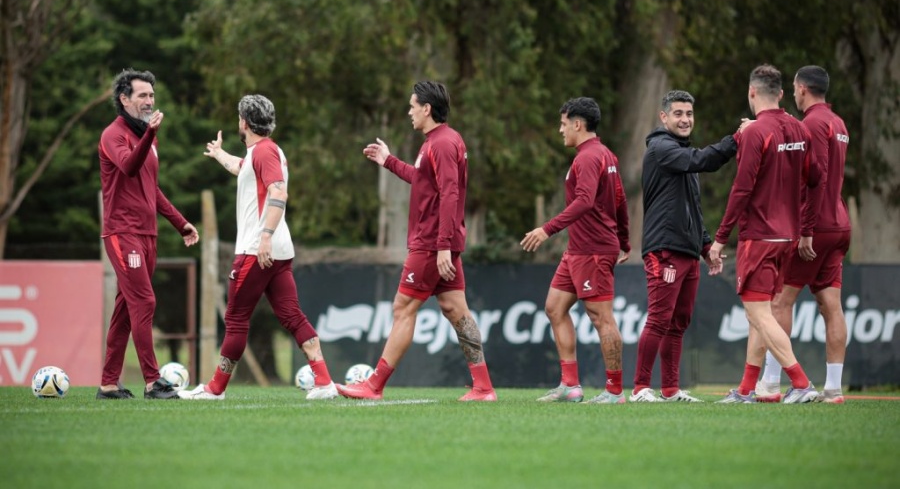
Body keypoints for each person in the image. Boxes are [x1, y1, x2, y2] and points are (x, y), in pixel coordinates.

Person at [336, 81, 497, 402]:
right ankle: (483, 387)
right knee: (456, 310)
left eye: (412, 105)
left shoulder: (441, 143)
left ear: (427, 108)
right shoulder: (439, 142)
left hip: (430, 243)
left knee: (403, 308)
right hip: (440, 242)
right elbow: (424, 182)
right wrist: (388, 160)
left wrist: (441, 246)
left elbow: (451, 193)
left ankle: (374, 385)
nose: (409, 111)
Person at [179, 95, 337, 400]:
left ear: (244, 122)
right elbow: (244, 170)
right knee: (292, 316)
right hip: (279, 251)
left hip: (257, 249)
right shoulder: (266, 151)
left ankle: (215, 389)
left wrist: (264, 235)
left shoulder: (263, 153)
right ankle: (324, 382)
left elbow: (278, 191)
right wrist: (219, 154)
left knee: (236, 318)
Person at [709, 64, 821, 404]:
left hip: (759, 235)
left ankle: (801, 383)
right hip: (787, 236)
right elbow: (814, 175)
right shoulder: (799, 128)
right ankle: (747, 390)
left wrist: (719, 238)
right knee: (763, 312)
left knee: (757, 312)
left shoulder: (757, 132)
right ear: (783, 94)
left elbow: (741, 190)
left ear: (751, 92)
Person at [630, 90, 743, 403]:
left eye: (689, 114)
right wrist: (735, 139)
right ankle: (640, 388)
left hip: (688, 252)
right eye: (678, 113)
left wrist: (706, 246)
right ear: (663, 117)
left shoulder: (681, 152)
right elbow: (704, 160)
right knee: (658, 319)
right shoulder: (661, 148)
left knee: (678, 324)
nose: (685, 119)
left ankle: (671, 390)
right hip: (664, 250)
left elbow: (691, 208)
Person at [97, 69, 200, 400]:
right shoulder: (113, 135)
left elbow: (150, 189)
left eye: (151, 95)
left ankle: (109, 384)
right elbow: (128, 166)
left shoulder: (147, 137)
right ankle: (153, 381)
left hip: (148, 234)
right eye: (142, 95)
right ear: (124, 100)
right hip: (122, 232)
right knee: (144, 300)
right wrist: (149, 136)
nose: (149, 100)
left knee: (126, 309)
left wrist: (180, 222)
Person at [521, 97, 630, 404]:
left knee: (602, 318)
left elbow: (584, 201)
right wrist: (624, 239)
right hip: (579, 249)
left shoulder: (588, 158)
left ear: (578, 124)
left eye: (563, 123)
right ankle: (570, 386)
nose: (561, 130)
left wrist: (547, 229)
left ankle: (614, 391)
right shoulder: (605, 154)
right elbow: (620, 200)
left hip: (592, 251)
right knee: (555, 308)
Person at [756, 66, 851, 404]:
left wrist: (806, 231)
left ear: (801, 89)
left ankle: (769, 384)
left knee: (780, 300)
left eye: (794, 90)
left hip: (817, 228)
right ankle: (834, 389)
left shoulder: (811, 123)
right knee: (831, 306)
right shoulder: (838, 123)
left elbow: (817, 179)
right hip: (840, 224)